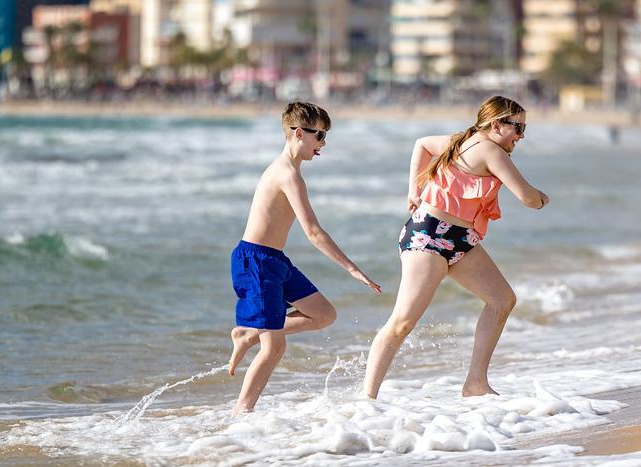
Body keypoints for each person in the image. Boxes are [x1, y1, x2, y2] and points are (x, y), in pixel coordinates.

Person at [363, 96, 549, 399]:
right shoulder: (491, 151)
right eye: (518, 128)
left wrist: (414, 188)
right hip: (428, 237)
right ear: (496, 124)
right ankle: (367, 399)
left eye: (525, 129)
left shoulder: (464, 140)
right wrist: (541, 198)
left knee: (502, 299)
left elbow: (421, 144)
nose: (521, 136)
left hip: (459, 238)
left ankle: (475, 383)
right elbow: (527, 198)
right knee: (402, 322)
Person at [227, 101, 381, 413]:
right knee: (274, 348)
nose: (323, 143)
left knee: (324, 315)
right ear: (299, 133)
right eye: (320, 136)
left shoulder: (293, 172)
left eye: (325, 136)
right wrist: (351, 269)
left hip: (274, 261)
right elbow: (313, 232)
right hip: (256, 262)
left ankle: (250, 332)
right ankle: (241, 415)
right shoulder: (287, 174)